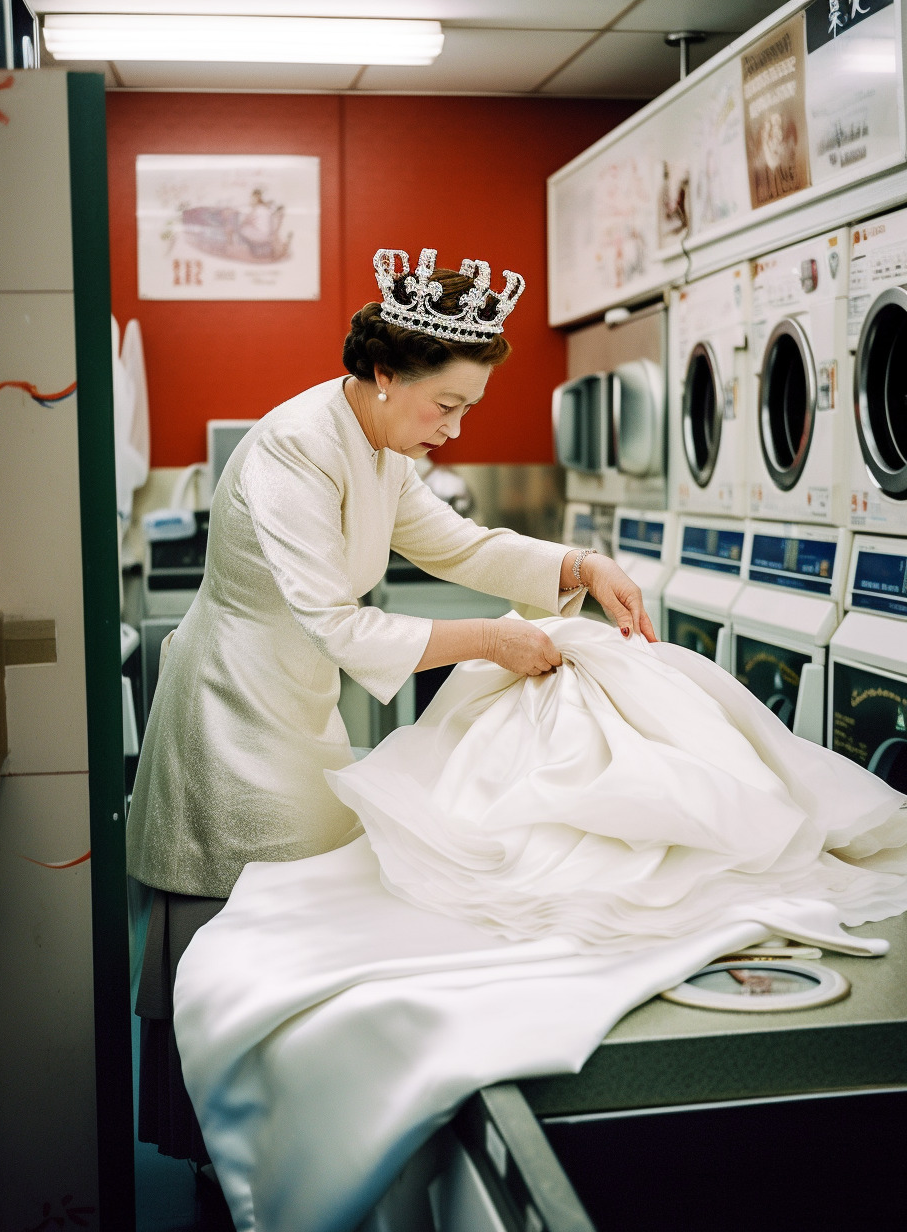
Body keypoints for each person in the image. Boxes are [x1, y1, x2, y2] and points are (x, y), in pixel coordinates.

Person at [125, 245, 654, 1165]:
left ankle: (287, 1143)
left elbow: (456, 544)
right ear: (381, 374)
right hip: (230, 714)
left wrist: (575, 567)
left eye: (466, 409)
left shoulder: (378, 447)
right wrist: (490, 640)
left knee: (302, 920)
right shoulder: (296, 448)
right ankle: (228, 1153)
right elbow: (337, 623)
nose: (453, 430)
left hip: (296, 710)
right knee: (235, 927)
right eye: (445, 406)